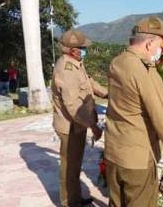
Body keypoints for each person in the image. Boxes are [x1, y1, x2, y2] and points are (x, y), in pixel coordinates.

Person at [105, 16, 163, 207]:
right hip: (137, 161)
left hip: (114, 153)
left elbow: (143, 91)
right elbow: (162, 120)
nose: (161, 50)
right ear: (149, 43)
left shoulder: (118, 62)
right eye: (160, 45)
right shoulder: (144, 71)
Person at [52, 30, 108, 207]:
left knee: (75, 165)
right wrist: (93, 125)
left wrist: (108, 93)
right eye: (82, 48)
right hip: (70, 126)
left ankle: (75, 198)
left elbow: (89, 82)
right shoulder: (66, 69)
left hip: (78, 124)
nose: (85, 50)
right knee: (69, 167)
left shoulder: (76, 63)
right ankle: (69, 202)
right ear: (72, 49)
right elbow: (73, 105)